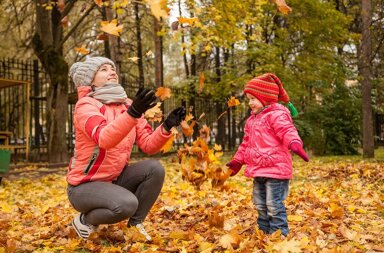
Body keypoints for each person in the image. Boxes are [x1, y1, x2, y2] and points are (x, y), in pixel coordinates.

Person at [66, 56, 186, 241]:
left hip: (114, 180)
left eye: (112, 68)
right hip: (84, 186)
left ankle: (135, 226)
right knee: (126, 204)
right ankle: (84, 219)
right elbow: (104, 138)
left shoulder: (127, 105)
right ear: (90, 80)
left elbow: (147, 145)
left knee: (155, 169)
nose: (112, 72)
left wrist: (167, 126)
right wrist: (133, 113)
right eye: (104, 69)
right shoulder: (86, 106)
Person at [226, 73, 309, 237]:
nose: (250, 103)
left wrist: (294, 143)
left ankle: (279, 234)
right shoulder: (252, 120)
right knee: (260, 204)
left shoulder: (277, 115)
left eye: (253, 99)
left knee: (273, 204)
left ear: (266, 98)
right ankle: (263, 232)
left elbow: (287, 131)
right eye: (248, 99)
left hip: (276, 171)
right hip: (259, 170)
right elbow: (246, 143)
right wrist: (237, 160)